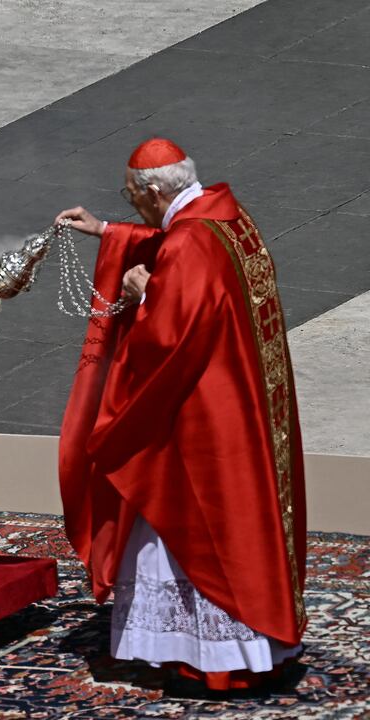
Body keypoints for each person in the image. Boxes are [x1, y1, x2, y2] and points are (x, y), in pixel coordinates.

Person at [55, 138, 305, 691]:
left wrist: (145, 294)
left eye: (130, 199)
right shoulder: (227, 218)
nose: (132, 207)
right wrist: (109, 234)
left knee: (193, 525)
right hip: (241, 402)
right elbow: (180, 251)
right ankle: (258, 643)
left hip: (197, 422)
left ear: (151, 190)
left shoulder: (189, 243)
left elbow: (169, 334)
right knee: (244, 520)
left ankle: (211, 657)